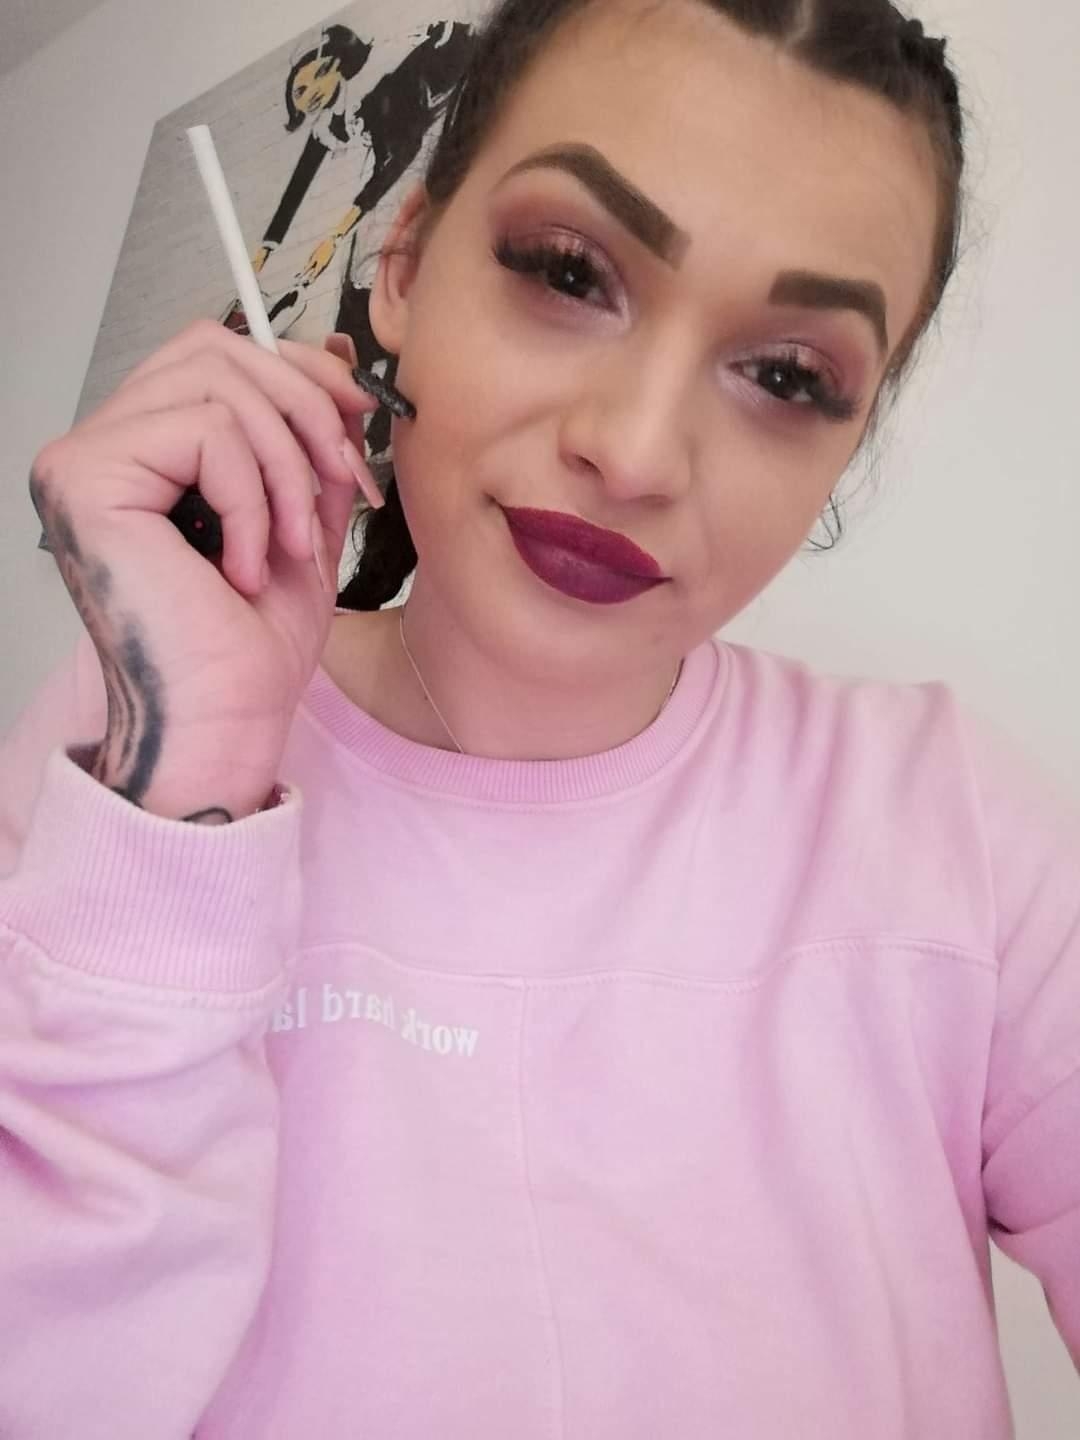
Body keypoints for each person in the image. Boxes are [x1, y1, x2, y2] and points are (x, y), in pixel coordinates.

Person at [1, 0, 1077, 1435]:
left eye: (786, 377)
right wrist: (180, 808)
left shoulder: (950, 829)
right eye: (570, 271)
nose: (633, 453)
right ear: (401, 268)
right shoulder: (117, 747)